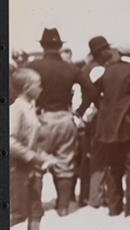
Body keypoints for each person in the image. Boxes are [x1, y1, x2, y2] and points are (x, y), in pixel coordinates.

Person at [26, 28, 98, 215]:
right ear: (59, 46)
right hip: (65, 119)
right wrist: (79, 112)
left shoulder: (33, 66)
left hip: (41, 119)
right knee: (65, 164)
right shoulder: (71, 68)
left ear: (43, 46)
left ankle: (35, 208)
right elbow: (91, 91)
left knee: (37, 165)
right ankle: (63, 208)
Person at [90, 35, 130, 216]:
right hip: (129, 127)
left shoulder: (108, 71)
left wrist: (104, 109)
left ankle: (114, 207)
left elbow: (93, 91)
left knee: (113, 167)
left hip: (108, 128)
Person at [9, 69, 58, 230]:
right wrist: (33, 156)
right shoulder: (17, 109)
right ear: (26, 87)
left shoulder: (30, 107)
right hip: (18, 169)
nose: (41, 89)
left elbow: (31, 140)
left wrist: (42, 155)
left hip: (33, 168)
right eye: (38, 85)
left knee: (36, 211)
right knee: (18, 213)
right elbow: (9, 141)